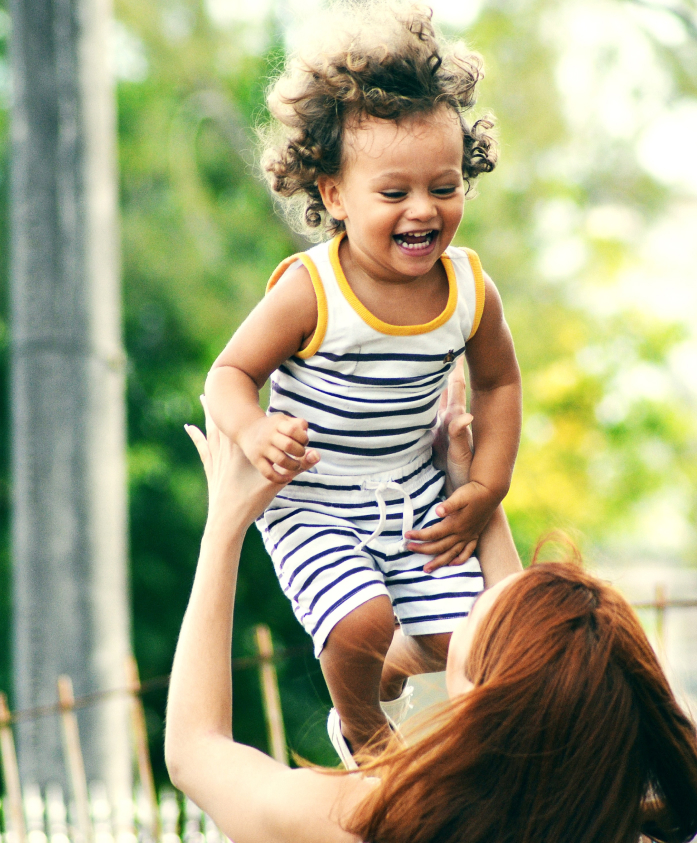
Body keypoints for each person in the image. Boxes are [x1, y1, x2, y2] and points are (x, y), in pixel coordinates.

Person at [203, 1, 521, 762]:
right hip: (313, 498)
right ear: (334, 195)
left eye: (444, 186)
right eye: (394, 193)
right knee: (359, 621)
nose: (423, 210)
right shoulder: (312, 291)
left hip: (411, 491)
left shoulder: (469, 290)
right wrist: (254, 429)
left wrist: (486, 486)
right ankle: (364, 733)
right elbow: (228, 373)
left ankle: (386, 666)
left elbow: (500, 384)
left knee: (461, 641)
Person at [166, 401, 697, 843]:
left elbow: (195, 751)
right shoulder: (616, 825)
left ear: (479, 701)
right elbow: (524, 663)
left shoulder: (364, 822)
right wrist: (472, 492)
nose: (472, 599)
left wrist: (225, 524)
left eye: (473, 614)